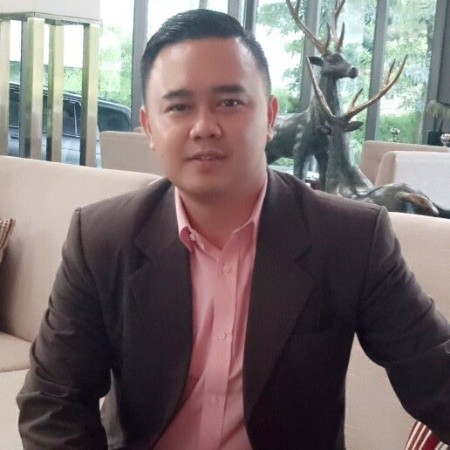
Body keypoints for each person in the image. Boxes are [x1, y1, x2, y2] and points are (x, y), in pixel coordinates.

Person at [17, 8, 450, 450]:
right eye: (179, 107)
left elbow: (436, 372)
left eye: (229, 102)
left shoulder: (350, 239)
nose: (205, 127)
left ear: (270, 117)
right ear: (149, 127)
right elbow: (52, 403)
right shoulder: (102, 238)